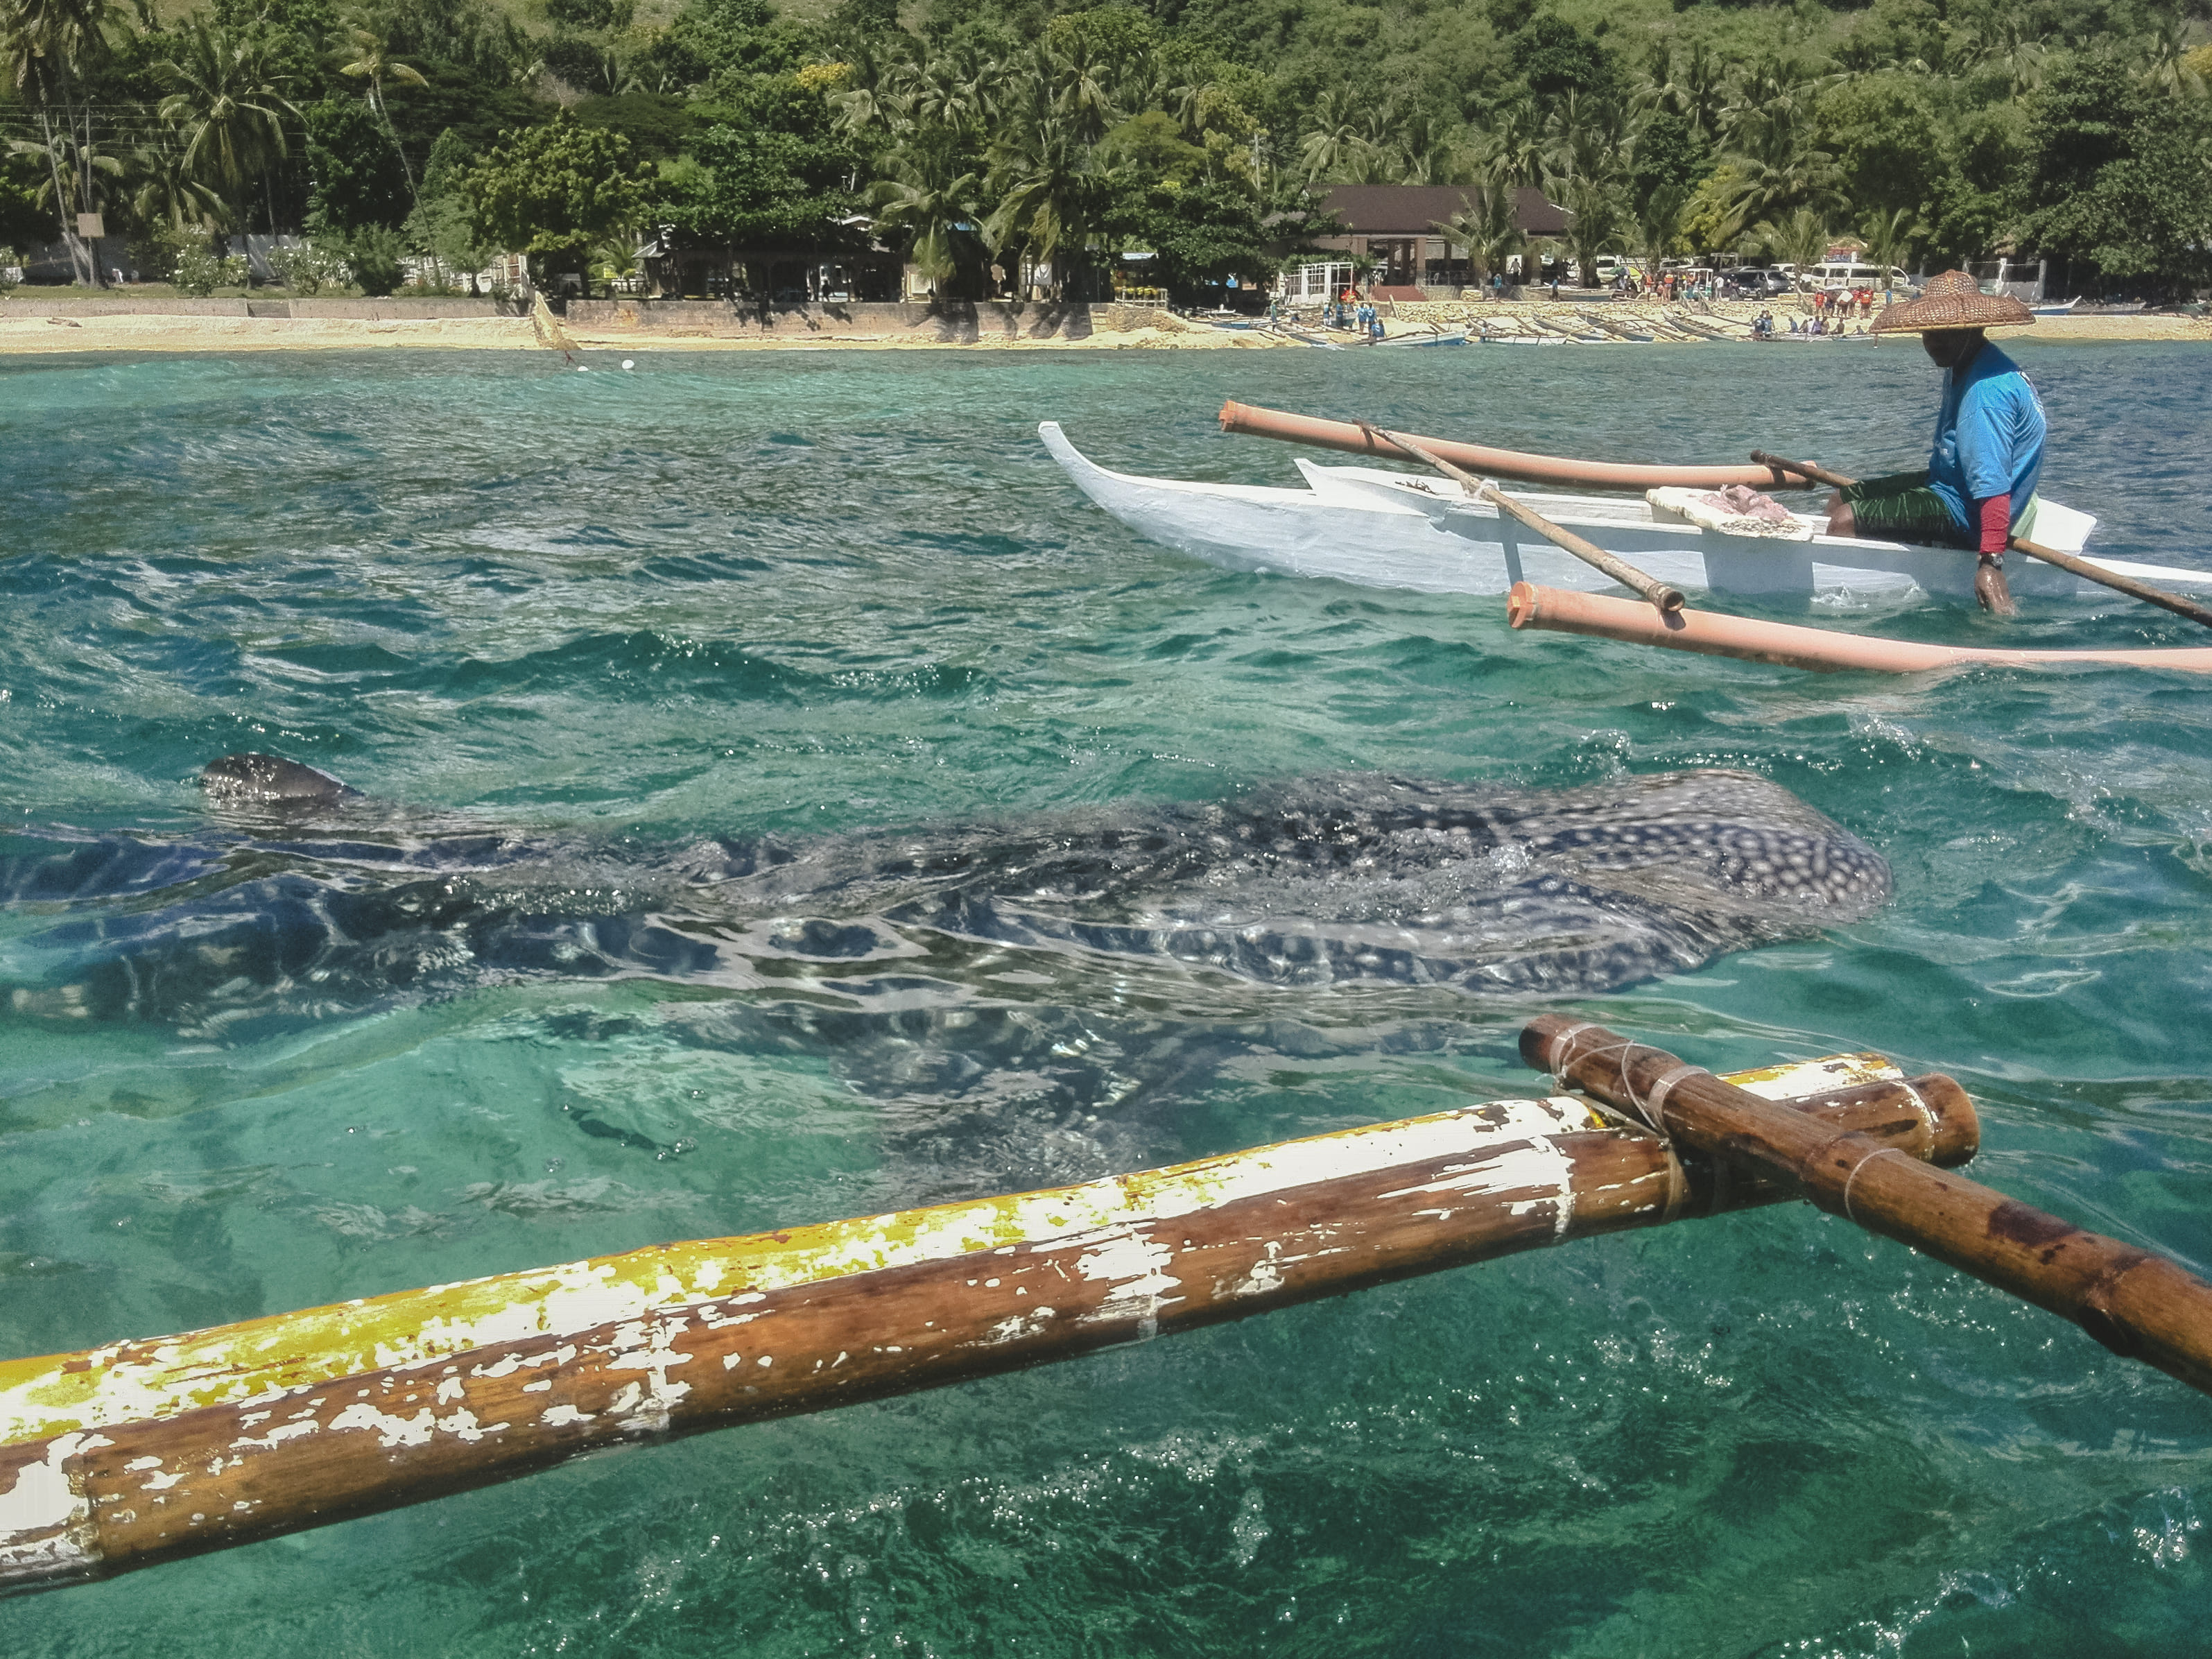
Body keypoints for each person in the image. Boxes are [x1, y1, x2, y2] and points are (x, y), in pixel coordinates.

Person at [1824, 271, 2044, 613]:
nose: (1932, 342)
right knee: (1839, 497)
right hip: (1946, 486)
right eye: (1929, 331)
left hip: (1969, 512)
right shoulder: (1965, 363)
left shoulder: (1985, 391)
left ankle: (1858, 607)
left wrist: (1990, 563)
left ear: (1973, 329)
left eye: (1944, 333)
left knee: (1844, 522)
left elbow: (1993, 485)